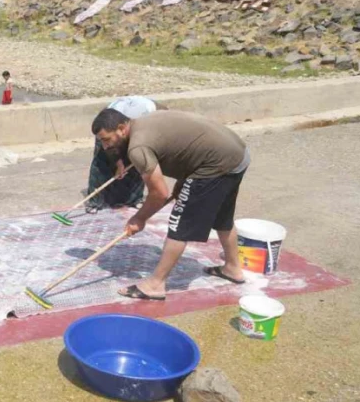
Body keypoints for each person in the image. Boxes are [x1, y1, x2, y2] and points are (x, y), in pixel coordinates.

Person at [93, 109, 251, 301]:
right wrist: (184, 182)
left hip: (215, 164)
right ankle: (233, 268)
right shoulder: (145, 121)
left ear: (121, 128)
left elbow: (159, 193)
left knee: (179, 223)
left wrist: (139, 218)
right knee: (222, 217)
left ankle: (155, 284)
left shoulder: (137, 147)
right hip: (237, 154)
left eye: (107, 139)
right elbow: (186, 147)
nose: (105, 145)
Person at [86, 96, 159, 213]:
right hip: (111, 129)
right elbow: (108, 147)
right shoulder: (106, 126)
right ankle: (95, 202)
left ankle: (134, 199)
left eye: (105, 140)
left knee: (137, 160)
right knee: (102, 161)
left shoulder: (154, 115)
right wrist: (118, 163)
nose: (104, 144)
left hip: (136, 132)